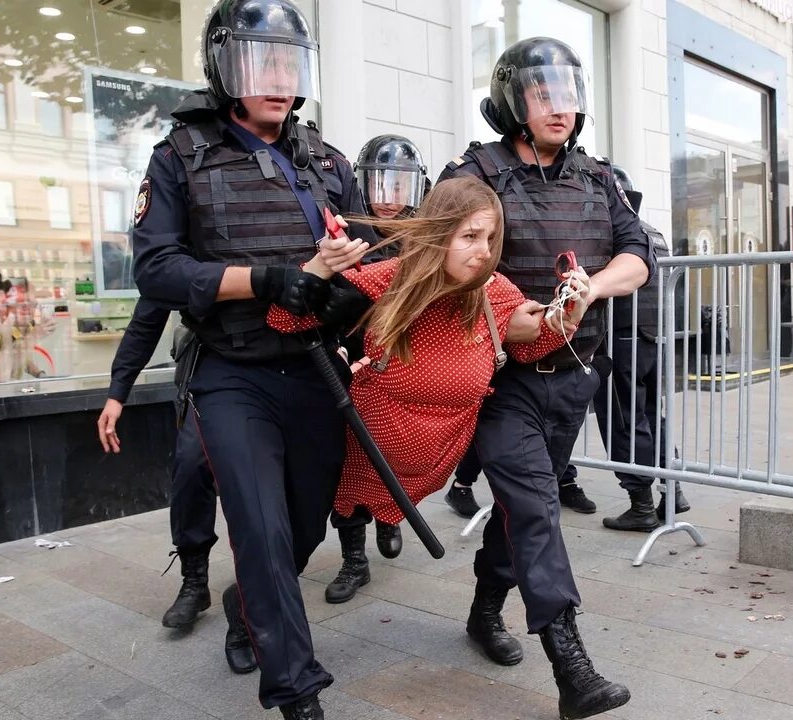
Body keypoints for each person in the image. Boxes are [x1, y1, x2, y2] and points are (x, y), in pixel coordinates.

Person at [130, 1, 366, 716]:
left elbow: (364, 266)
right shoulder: (180, 156)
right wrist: (262, 279)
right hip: (233, 372)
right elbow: (158, 270)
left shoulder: (327, 162)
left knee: (299, 533)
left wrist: (344, 299)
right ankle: (299, 694)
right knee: (260, 532)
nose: (277, 78)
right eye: (259, 61)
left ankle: (245, 611)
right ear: (225, 66)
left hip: (316, 368)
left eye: (289, 62)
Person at [437, 36, 651, 719]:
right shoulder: (474, 172)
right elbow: (442, 264)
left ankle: (483, 610)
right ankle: (571, 665)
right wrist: (504, 317)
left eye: (566, 91)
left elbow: (638, 253)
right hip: (504, 378)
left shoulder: (597, 175)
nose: (559, 106)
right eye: (541, 92)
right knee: (535, 506)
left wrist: (592, 290)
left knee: (519, 509)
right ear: (511, 101)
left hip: (575, 375)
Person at [269, 174, 588, 564]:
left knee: (379, 505)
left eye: (490, 239)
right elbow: (288, 321)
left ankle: (386, 521)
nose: (483, 252)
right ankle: (352, 560)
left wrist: (565, 320)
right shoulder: (389, 279)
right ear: (439, 233)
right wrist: (316, 271)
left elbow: (529, 348)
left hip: (438, 449)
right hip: (369, 440)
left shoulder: (496, 290)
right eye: (470, 237)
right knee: (338, 510)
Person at [322, 132, 429, 605]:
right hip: (351, 362)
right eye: (378, 184)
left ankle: (390, 514)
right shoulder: (346, 234)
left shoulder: (426, 238)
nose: (387, 197)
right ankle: (353, 559)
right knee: (346, 461)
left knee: (395, 454)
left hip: (401, 366)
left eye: (398, 185)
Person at [555, 165, 690, 533]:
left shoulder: (613, 237)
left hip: (620, 338)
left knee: (623, 422)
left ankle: (640, 503)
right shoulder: (653, 232)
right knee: (650, 417)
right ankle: (672, 489)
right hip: (654, 337)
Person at [96, 300, 217, 631]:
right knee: (191, 464)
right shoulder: (180, 251)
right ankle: (194, 579)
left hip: (280, 368)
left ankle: (270, 582)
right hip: (211, 371)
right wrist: (117, 393)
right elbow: (147, 319)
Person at [0, 273, 54, 382]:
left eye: (31, 304)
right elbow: (2, 375)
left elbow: (22, 359)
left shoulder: (18, 326)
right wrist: (34, 335)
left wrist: (39, 374)